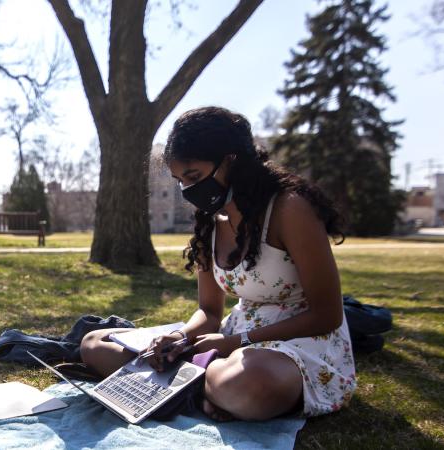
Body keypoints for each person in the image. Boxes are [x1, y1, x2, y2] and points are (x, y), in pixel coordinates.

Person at [79, 106, 356, 421]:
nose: (188, 191)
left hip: (298, 342)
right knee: (94, 343)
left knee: (250, 386)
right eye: (180, 180)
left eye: (194, 176)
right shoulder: (210, 220)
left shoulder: (289, 209)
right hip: (228, 340)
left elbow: (328, 315)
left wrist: (235, 343)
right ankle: (202, 389)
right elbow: (209, 312)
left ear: (231, 159)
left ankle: (185, 387)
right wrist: (182, 337)